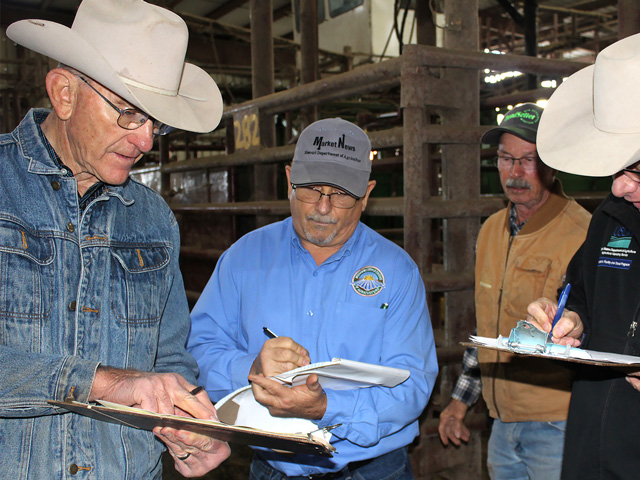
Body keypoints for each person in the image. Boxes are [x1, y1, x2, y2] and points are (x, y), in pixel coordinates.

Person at [0, 0, 230, 478]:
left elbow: (168, 356)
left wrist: (186, 426)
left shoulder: (153, 220)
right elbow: (120, 382)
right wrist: (101, 383)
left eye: (156, 122)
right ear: (64, 93)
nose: (146, 141)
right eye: (129, 114)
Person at [188, 117, 438, 480]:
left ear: (366, 194)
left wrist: (326, 407)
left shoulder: (396, 272)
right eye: (311, 190)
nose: (323, 207)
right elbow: (199, 349)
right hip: (273, 467)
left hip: (372, 470)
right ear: (289, 180)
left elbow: (413, 384)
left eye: (340, 194)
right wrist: (250, 369)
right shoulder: (243, 259)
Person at [437, 103, 591, 479]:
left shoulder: (582, 231)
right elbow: (488, 326)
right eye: (506, 159)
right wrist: (460, 400)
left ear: (552, 165)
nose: (515, 172)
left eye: (529, 160)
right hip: (501, 424)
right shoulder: (491, 229)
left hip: (558, 424)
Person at [526, 33, 640, 480]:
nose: (617, 187)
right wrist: (570, 316)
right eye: (616, 168)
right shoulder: (611, 219)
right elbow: (585, 297)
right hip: (595, 449)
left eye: (636, 168)